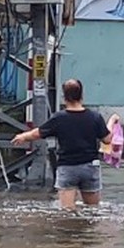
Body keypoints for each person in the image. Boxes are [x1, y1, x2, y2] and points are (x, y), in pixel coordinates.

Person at [12, 79, 110, 211]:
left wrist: (23, 136)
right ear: (82, 95)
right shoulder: (95, 117)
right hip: (90, 167)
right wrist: (112, 123)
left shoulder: (59, 118)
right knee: (93, 210)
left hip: (68, 167)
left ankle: (68, 230)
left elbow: (38, 133)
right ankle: (89, 232)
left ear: (64, 97)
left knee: (67, 211)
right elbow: (107, 139)